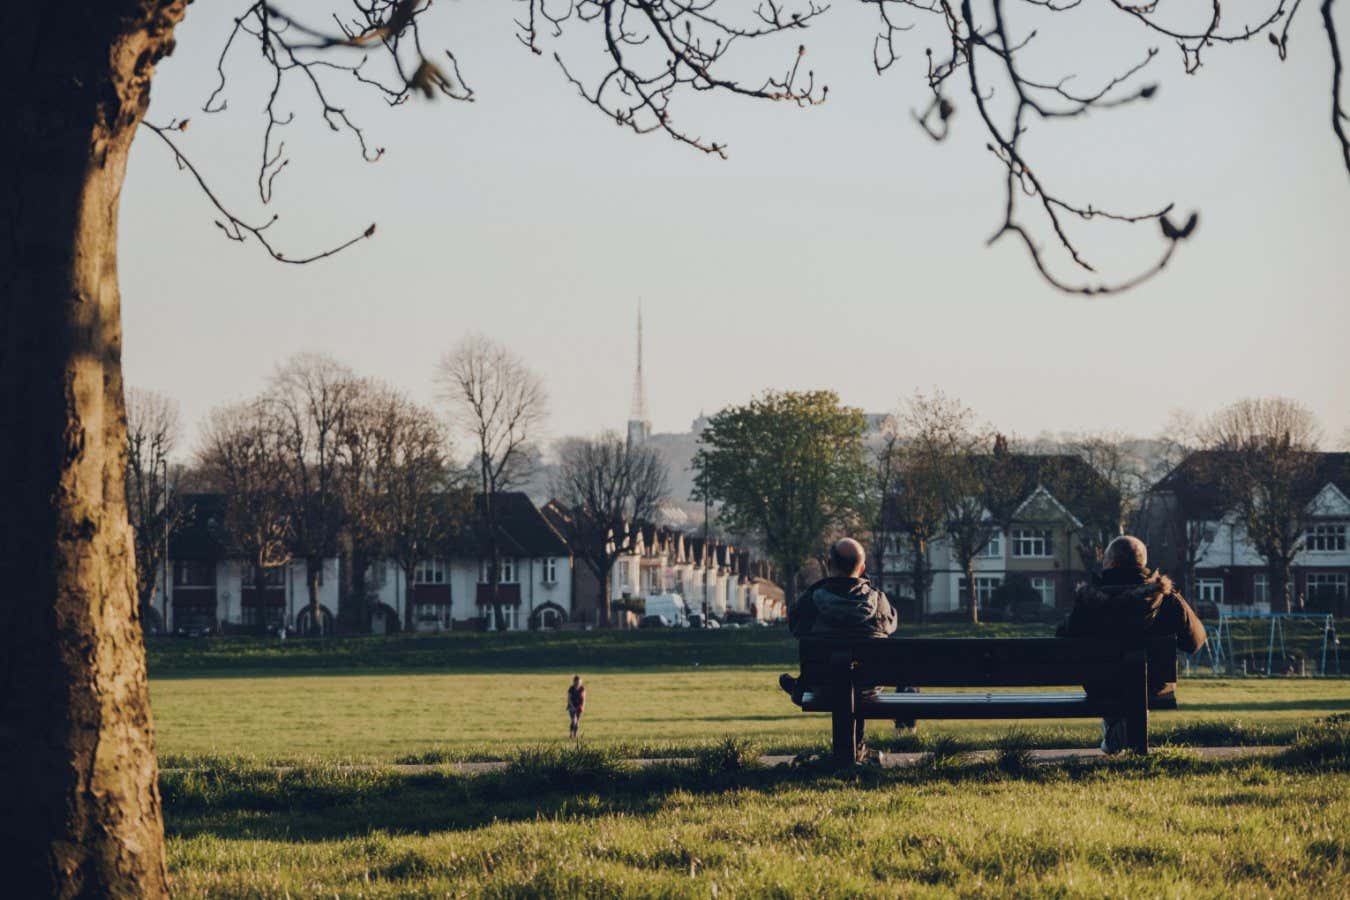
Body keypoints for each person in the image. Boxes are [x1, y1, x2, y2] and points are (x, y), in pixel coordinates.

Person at [1057, 535, 1206, 754]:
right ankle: (1126, 728)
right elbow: (1194, 642)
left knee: (1107, 676)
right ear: (1143, 563)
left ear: (1110, 562)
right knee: (1139, 681)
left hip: (1102, 685)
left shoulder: (1087, 602)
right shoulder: (1166, 599)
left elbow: (1061, 642)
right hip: (1151, 684)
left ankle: (1116, 725)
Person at [778, 538, 903, 754]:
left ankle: (801, 686)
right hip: (868, 687)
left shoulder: (811, 600)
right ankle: (857, 748)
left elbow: (796, 628)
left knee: (837, 673)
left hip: (823, 686)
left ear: (828, 563)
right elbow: (890, 625)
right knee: (859, 675)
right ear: (862, 568)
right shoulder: (879, 601)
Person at [566, 675, 586, 739]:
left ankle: (575, 734)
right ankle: (571, 734)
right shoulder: (571, 689)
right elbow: (569, 699)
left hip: (579, 707)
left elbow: (583, 698)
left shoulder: (582, 689)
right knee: (573, 720)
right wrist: (572, 707)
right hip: (571, 706)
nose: (578, 683)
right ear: (574, 682)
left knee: (577, 721)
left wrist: (582, 706)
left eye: (579, 682)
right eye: (577, 682)